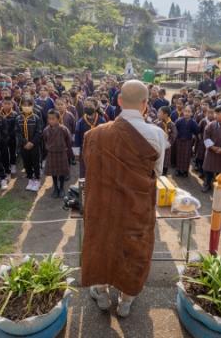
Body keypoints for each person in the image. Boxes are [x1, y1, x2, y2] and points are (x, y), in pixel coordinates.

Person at [82, 80, 167, 318]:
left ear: (119, 101)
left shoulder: (95, 134)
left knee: (100, 244)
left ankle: (100, 292)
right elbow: (157, 172)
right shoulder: (157, 134)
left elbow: (91, 167)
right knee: (134, 249)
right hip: (136, 208)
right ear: (145, 104)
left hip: (103, 205)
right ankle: (127, 299)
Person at [43, 110, 73, 198]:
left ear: (58, 119)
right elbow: (45, 140)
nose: (51, 121)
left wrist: (67, 150)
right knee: (54, 172)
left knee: (62, 172)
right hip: (51, 154)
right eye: (49, 119)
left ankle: (62, 188)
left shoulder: (63, 129)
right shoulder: (46, 130)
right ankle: (55, 188)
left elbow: (69, 140)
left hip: (62, 153)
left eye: (53, 119)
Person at [74, 98, 105, 178]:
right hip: (85, 151)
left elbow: (105, 137)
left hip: (98, 151)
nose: (87, 107)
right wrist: (76, 153)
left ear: (95, 107)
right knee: (85, 172)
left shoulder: (101, 121)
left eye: (90, 105)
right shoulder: (80, 122)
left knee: (98, 171)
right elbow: (77, 139)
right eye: (86, 105)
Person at [17, 97, 43, 192]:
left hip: (34, 145)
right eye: (24, 105)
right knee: (27, 162)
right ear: (21, 106)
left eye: (29, 105)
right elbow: (18, 133)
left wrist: (32, 142)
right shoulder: (18, 118)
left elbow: (39, 131)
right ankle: (30, 179)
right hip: (23, 146)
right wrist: (24, 142)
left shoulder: (36, 118)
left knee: (35, 163)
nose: (26, 107)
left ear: (32, 106)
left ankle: (37, 180)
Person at [174, 105, 198, 177]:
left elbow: (196, 131)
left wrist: (194, 136)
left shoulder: (193, 122)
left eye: (189, 112)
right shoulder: (179, 121)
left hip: (188, 141)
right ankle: (178, 170)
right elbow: (175, 129)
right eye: (186, 111)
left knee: (186, 156)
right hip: (179, 140)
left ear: (192, 113)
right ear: (183, 112)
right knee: (179, 155)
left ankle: (185, 171)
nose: (187, 113)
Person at [156, 106, 176, 176]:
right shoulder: (158, 123)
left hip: (167, 147)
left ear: (165, 114)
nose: (157, 114)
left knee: (165, 161)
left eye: (159, 112)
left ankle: (164, 174)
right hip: (158, 146)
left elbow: (173, 135)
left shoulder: (172, 125)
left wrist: (168, 144)